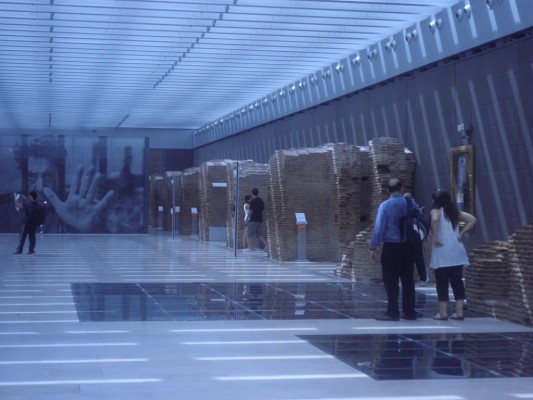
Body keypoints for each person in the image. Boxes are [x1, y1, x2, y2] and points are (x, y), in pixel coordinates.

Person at [369, 178, 418, 321]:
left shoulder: (385, 206)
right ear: (402, 188)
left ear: (388, 190)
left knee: (390, 280)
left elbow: (379, 229)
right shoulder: (411, 203)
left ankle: (392, 311)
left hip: (391, 247)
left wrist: (373, 246)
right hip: (408, 247)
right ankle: (409, 312)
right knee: (408, 279)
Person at [430, 190, 476, 321]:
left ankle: (443, 313)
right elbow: (473, 219)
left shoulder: (436, 210)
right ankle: (459, 312)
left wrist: (434, 236)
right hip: (457, 250)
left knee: (442, 282)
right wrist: (462, 233)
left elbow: (434, 219)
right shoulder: (454, 213)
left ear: (436, 200)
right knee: (457, 282)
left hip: (442, 251)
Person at [404, 192, 429, 284]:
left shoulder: (417, 209)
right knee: (417, 259)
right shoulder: (414, 209)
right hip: (413, 237)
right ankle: (421, 277)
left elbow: (423, 222)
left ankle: (423, 277)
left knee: (419, 259)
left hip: (416, 237)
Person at [14, 191, 39, 255]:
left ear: (31, 196)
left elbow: (18, 205)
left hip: (27, 223)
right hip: (34, 223)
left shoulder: (27, 204)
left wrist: (16, 198)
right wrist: (24, 198)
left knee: (22, 237)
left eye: (29, 195)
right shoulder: (36, 203)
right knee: (32, 237)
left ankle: (20, 251)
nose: (28, 196)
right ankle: (31, 250)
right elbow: (29, 201)